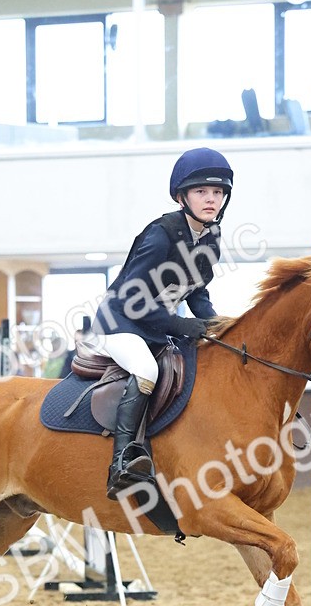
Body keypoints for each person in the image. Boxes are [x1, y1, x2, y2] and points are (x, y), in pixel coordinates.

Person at [90, 146, 233, 499]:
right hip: (119, 322)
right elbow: (131, 299)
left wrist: (217, 325)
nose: (211, 199)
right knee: (146, 372)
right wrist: (183, 327)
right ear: (182, 197)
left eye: (217, 193)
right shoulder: (160, 235)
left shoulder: (210, 238)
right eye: (201, 192)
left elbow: (196, 293)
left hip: (160, 327)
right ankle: (123, 460)